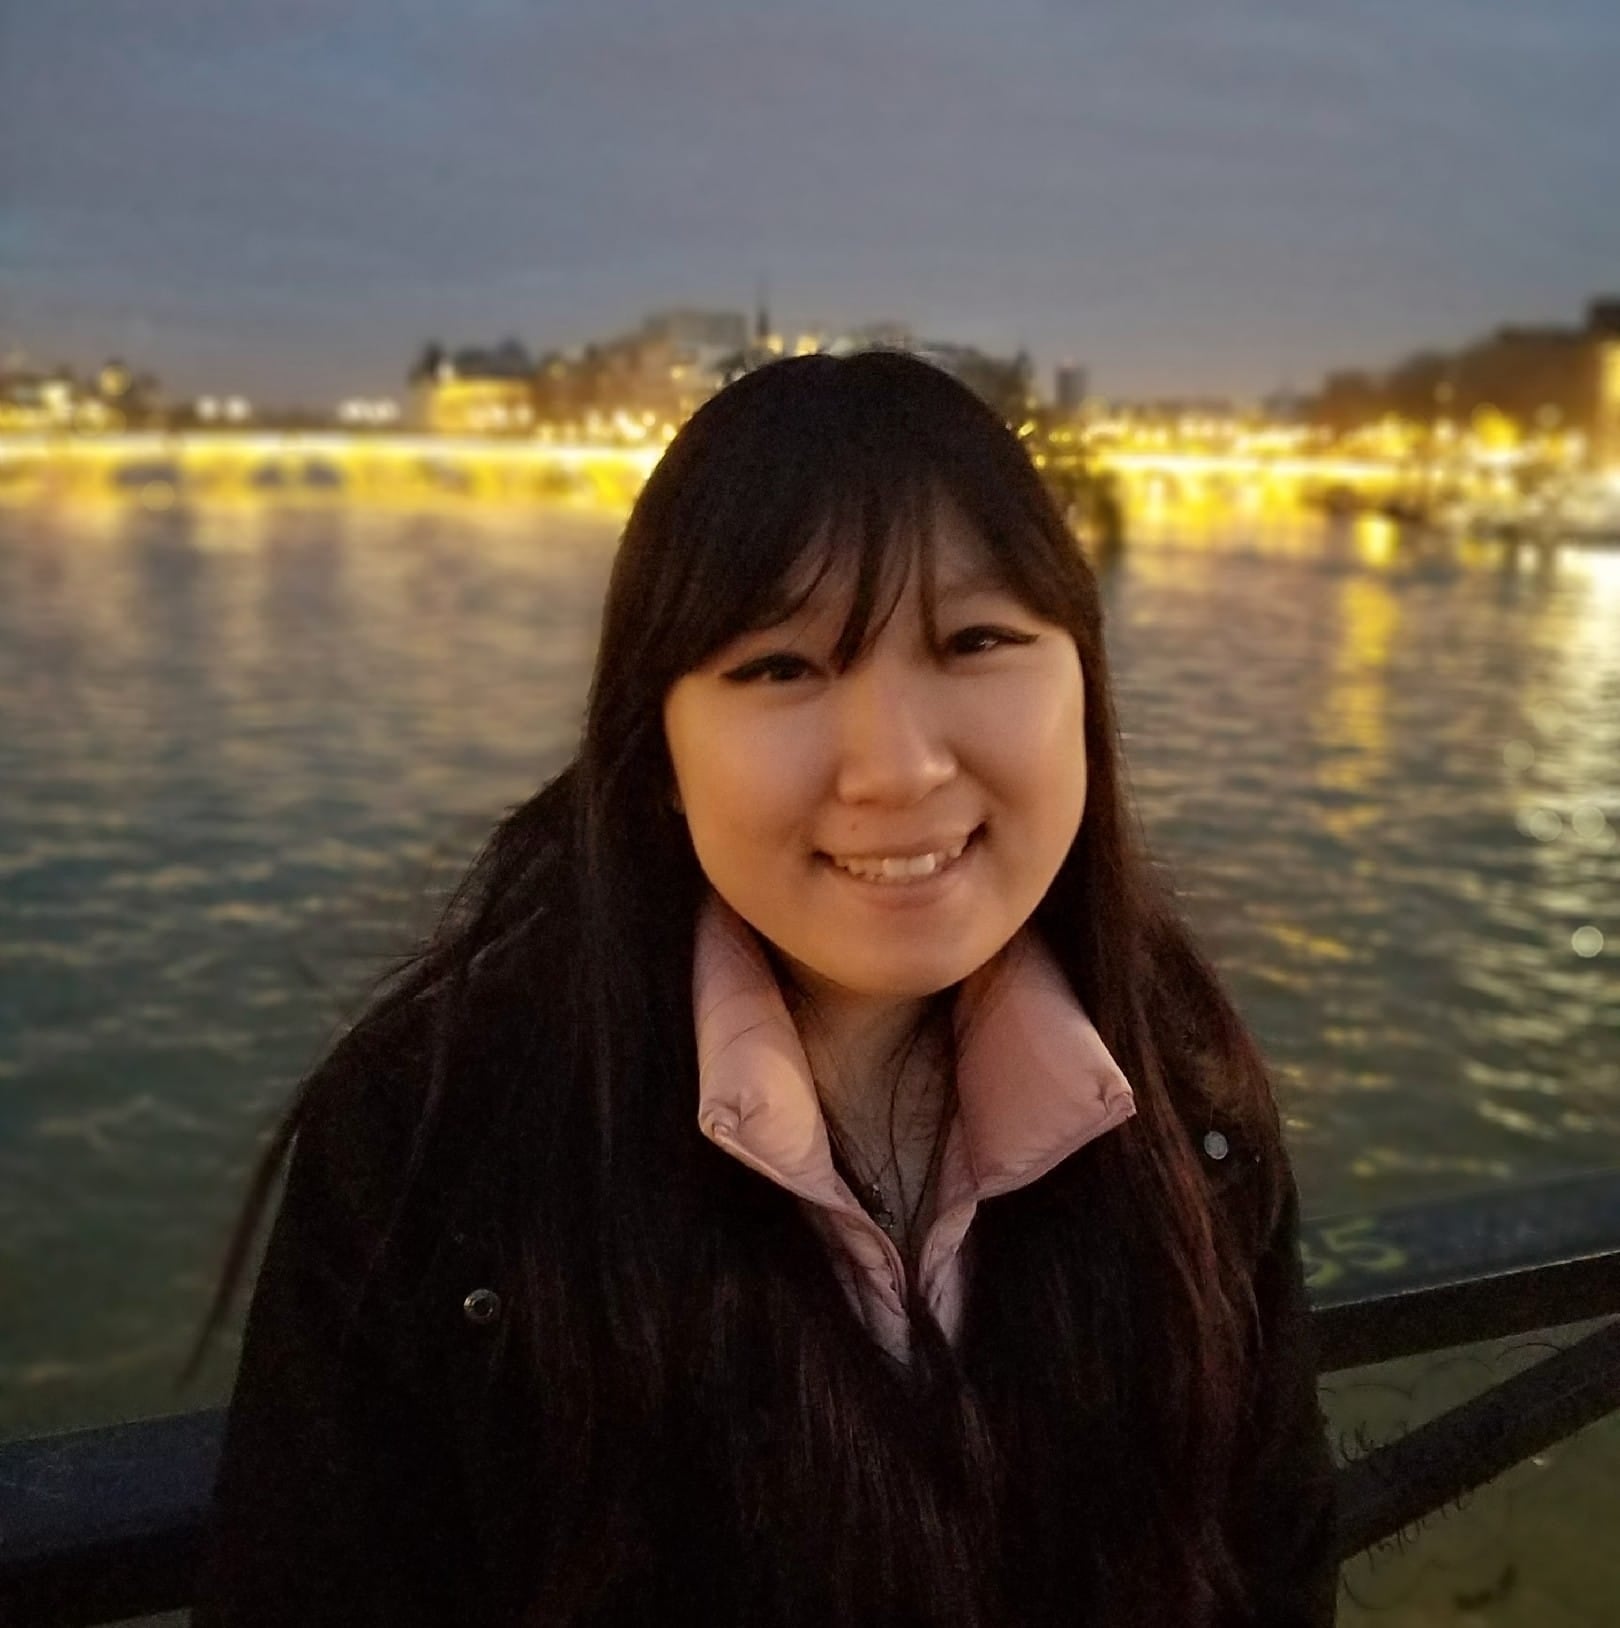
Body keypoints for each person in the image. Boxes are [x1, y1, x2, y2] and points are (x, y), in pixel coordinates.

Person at [189, 350, 1339, 1627]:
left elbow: (1269, 1569)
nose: (897, 767)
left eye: (976, 640)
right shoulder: (432, 1149)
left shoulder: (1193, 1105)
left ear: (1087, 693)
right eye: (784, 667)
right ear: (658, 751)